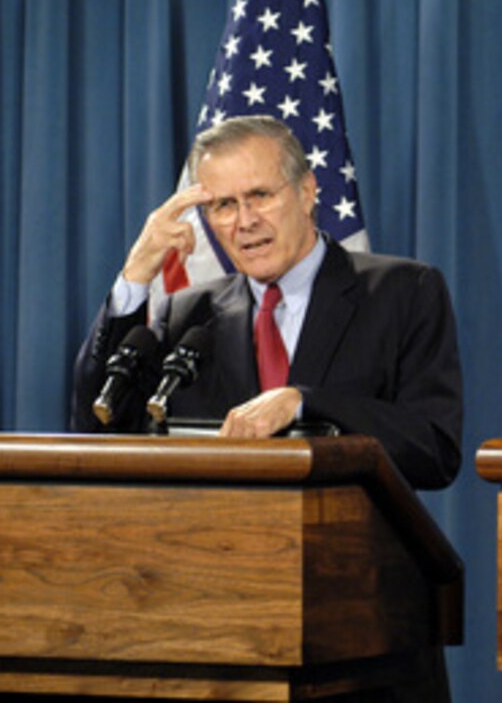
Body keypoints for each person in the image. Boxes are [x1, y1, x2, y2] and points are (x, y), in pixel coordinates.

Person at [71, 115, 461, 699]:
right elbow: (101, 426)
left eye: (259, 195)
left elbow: (434, 447)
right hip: (223, 634)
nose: (244, 221)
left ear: (307, 192)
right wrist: (135, 276)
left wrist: (304, 403)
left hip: (365, 640)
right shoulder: (188, 314)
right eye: (223, 205)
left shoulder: (404, 293)